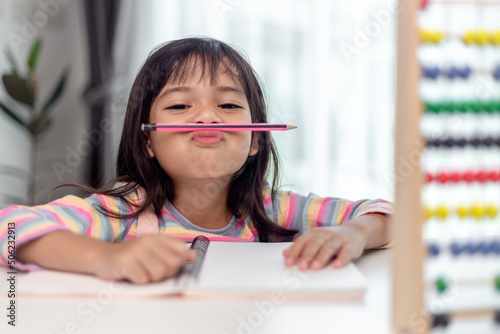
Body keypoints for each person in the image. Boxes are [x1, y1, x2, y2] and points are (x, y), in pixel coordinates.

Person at [0, 37, 392, 284]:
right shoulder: (123, 211)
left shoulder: (271, 208)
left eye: (227, 104)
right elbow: (10, 229)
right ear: (149, 140)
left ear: (255, 140)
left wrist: (353, 234)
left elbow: (394, 214)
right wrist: (106, 256)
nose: (207, 116)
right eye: (181, 104)